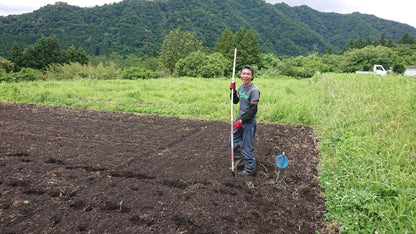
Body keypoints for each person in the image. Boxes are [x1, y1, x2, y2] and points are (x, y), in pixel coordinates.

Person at [229, 65, 260, 175]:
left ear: (252, 76)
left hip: (248, 121)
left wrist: (242, 121)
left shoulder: (254, 90)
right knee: (233, 141)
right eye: (243, 74)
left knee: (247, 145)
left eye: (248, 74)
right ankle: (240, 162)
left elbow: (252, 110)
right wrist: (233, 91)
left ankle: (250, 169)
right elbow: (235, 101)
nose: (245, 76)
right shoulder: (242, 87)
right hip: (239, 119)